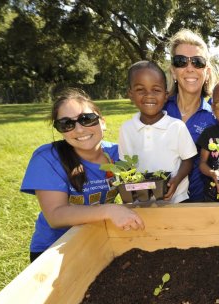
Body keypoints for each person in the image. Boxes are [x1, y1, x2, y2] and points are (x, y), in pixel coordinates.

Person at [21, 88, 145, 262]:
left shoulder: (119, 154)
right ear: (60, 130)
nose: (79, 129)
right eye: (66, 124)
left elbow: (135, 193)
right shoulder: (48, 158)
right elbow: (55, 216)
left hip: (97, 240)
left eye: (87, 119)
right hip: (54, 249)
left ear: (103, 122)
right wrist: (109, 210)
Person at [119, 60, 197, 203]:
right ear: (130, 94)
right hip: (141, 202)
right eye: (140, 90)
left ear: (166, 95)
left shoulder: (176, 126)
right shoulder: (126, 129)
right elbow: (125, 165)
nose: (149, 95)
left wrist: (176, 180)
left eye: (156, 90)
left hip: (176, 200)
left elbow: (188, 160)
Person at [164, 29, 217, 202]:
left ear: (207, 71)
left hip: (200, 207)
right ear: (173, 70)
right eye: (181, 62)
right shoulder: (158, 110)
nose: (189, 68)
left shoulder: (216, 117)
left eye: (197, 62)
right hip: (157, 206)